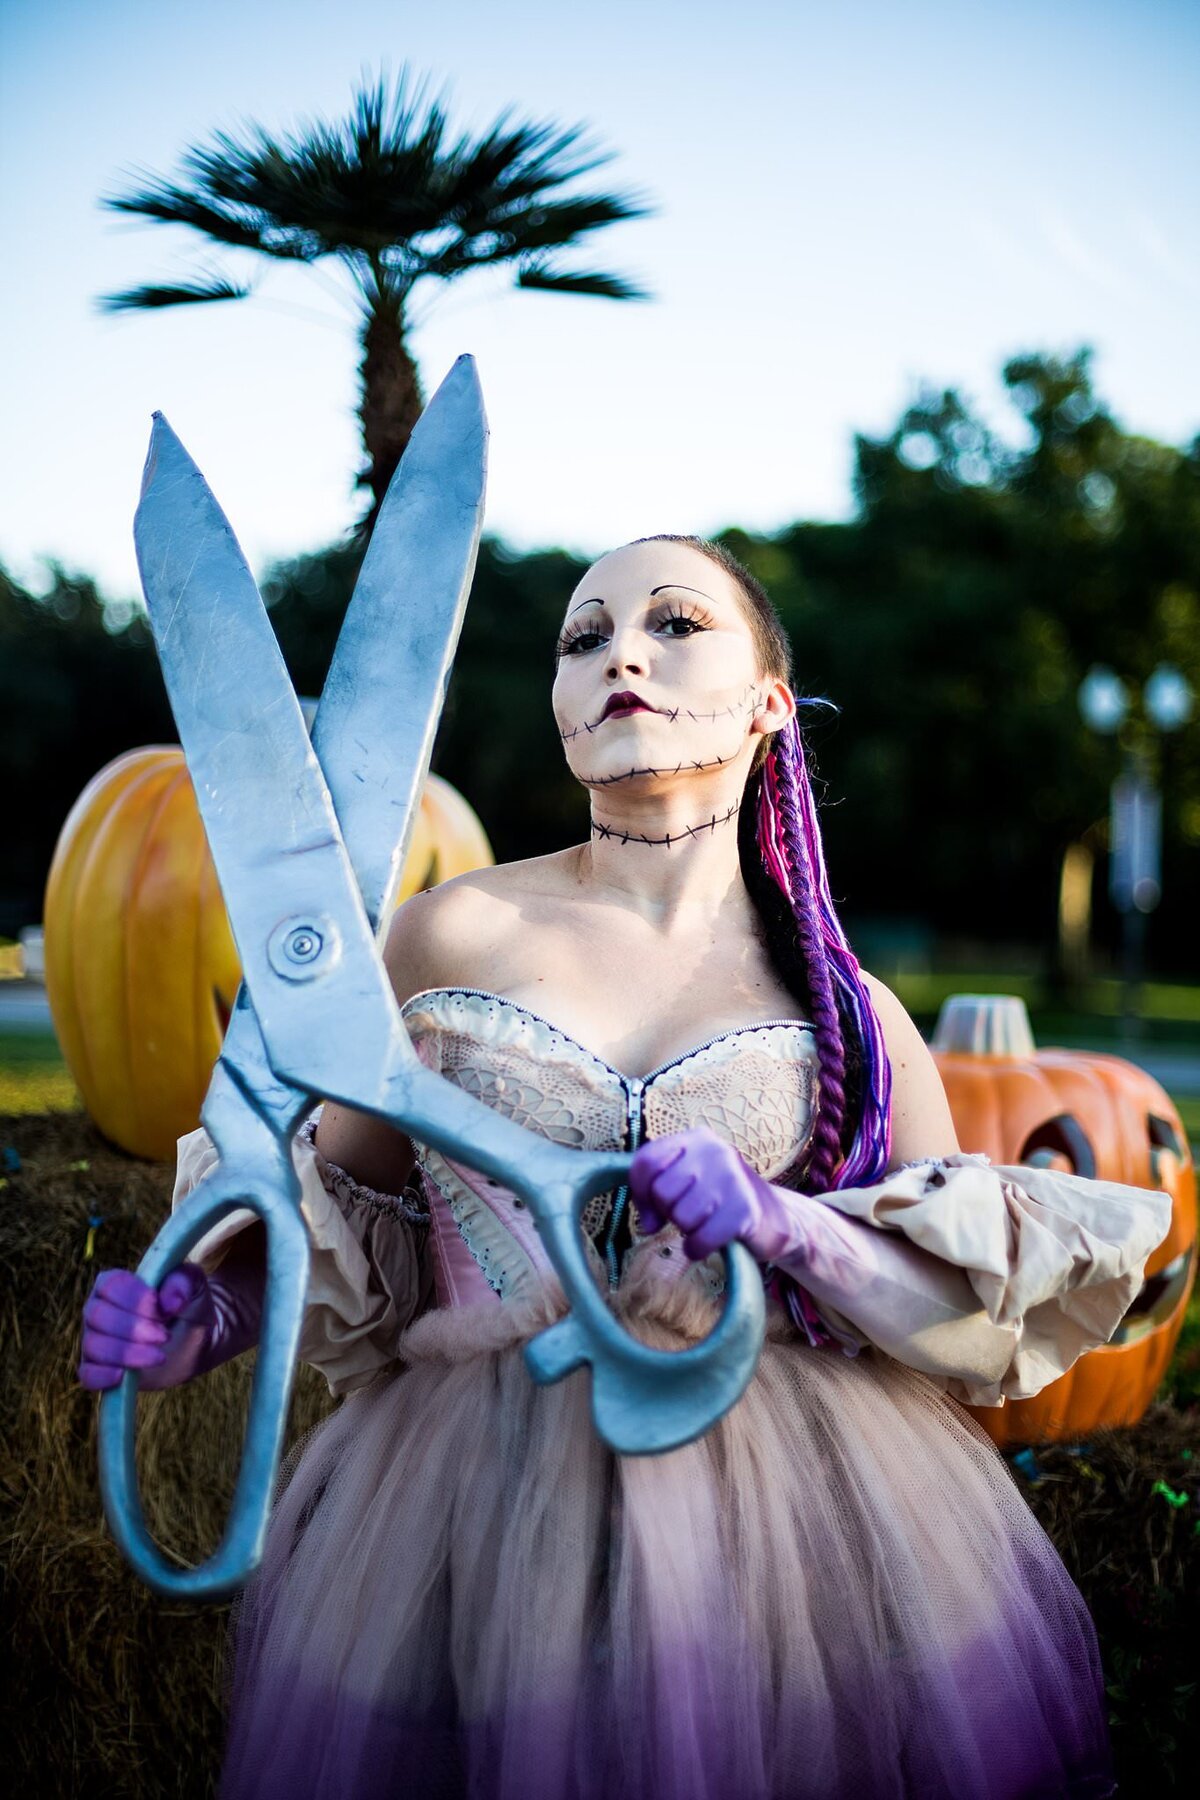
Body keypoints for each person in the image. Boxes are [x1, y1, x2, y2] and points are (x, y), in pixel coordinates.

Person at [81, 535, 1170, 1800]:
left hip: (801, 1545)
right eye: (584, 639)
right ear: (558, 711)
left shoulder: (852, 1012)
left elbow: (954, 1324)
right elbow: (341, 1223)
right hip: (460, 1527)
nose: (622, 656)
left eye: (672, 623)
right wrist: (212, 1318)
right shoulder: (448, 932)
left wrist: (782, 1226)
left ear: (771, 704)